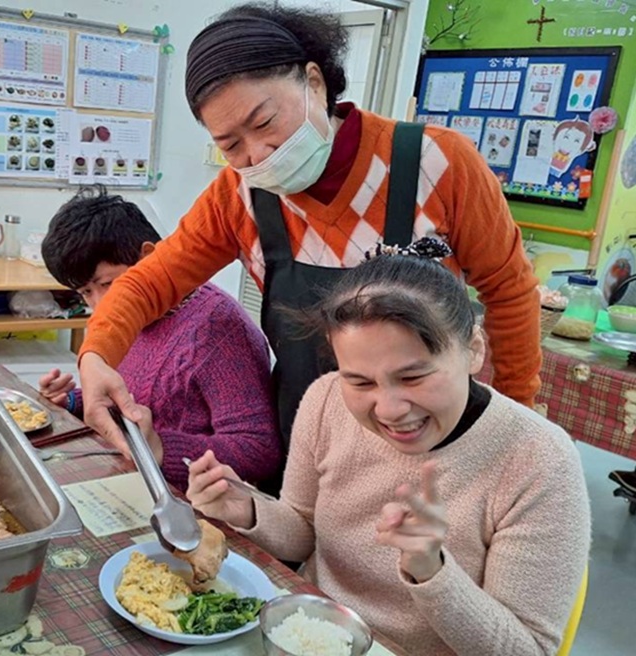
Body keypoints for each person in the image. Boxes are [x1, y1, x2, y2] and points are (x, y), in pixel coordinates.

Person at [75, 2, 541, 455]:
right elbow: (149, 282)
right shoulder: (238, 196)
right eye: (231, 145)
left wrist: (513, 419)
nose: (258, 154)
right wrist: (96, 356)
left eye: (264, 121)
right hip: (309, 443)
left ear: (314, 82)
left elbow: (509, 292)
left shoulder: (437, 163)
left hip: (426, 433)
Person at [186, 240, 590, 656]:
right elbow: (302, 531)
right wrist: (247, 508)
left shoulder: (538, 459)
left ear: (473, 350)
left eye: (413, 377)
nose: (389, 410)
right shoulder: (326, 399)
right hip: (313, 634)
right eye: (360, 382)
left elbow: (527, 649)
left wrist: (432, 572)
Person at [39, 187, 281, 487]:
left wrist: (161, 449)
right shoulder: (117, 324)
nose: (101, 304)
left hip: (187, 499)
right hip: (127, 477)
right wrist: (75, 400)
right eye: (86, 292)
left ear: (149, 257)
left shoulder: (218, 328)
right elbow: (135, 396)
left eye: (108, 284)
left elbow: (259, 452)